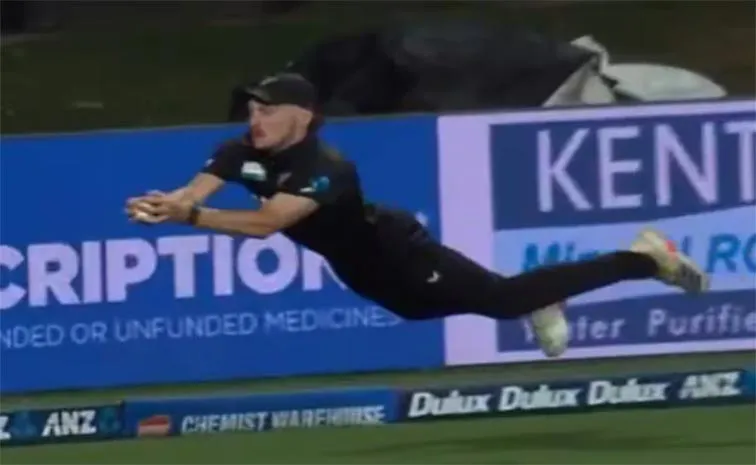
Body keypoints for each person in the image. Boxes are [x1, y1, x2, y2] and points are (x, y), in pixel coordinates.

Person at [126, 73, 708, 358]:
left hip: (393, 246)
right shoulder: (238, 151)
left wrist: (191, 220)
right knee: (415, 310)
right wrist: (171, 204)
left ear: (301, 115)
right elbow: (195, 190)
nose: (256, 117)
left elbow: (265, 224)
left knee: (501, 299)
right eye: (253, 108)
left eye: (268, 109)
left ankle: (643, 258)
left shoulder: (327, 166)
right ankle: (538, 296)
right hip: (360, 267)